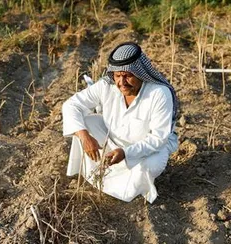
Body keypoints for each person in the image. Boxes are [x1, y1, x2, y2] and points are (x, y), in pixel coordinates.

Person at [62, 42, 179, 203]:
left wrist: (125, 153)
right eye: (117, 76)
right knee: (87, 123)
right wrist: (84, 136)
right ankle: (95, 178)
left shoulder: (159, 93)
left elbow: (158, 139)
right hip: (113, 140)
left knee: (151, 164)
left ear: (140, 74)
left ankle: (127, 192)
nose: (122, 82)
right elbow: (71, 105)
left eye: (127, 76)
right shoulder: (106, 85)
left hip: (147, 149)